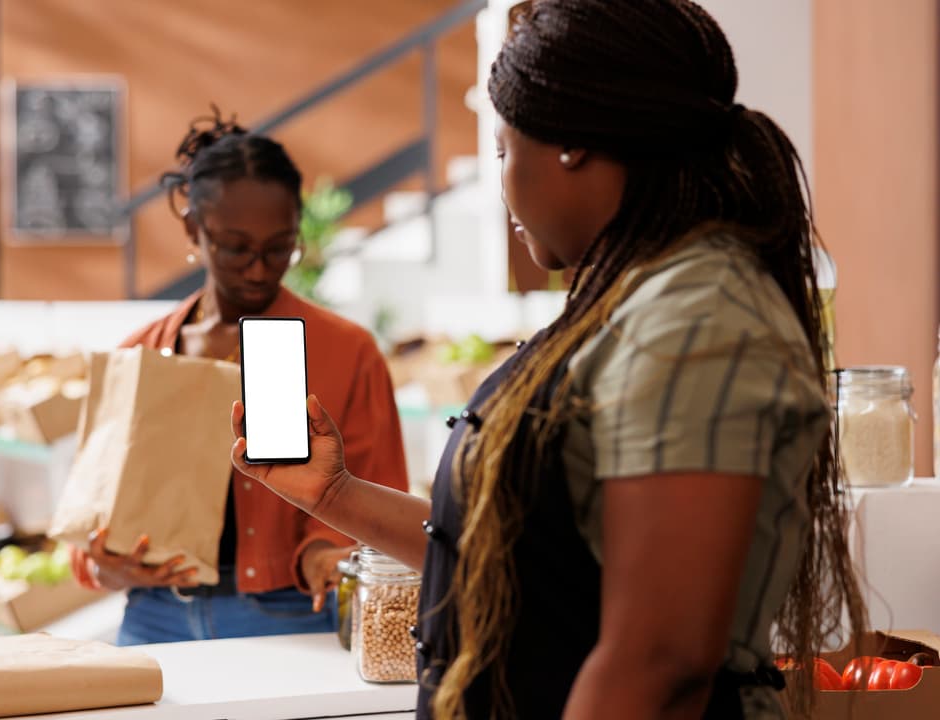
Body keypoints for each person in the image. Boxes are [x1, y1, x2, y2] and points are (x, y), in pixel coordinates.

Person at [229, 1, 866, 718]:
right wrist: (335, 495)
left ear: (570, 143)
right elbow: (531, 557)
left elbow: (658, 663)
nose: (503, 183)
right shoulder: (635, 300)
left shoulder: (696, 320)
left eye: (504, 150)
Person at [69, 108, 409, 645]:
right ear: (192, 229)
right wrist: (106, 566)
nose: (258, 269)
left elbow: (383, 500)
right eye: (236, 247)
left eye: (279, 248)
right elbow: (89, 524)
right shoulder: (138, 355)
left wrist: (324, 550)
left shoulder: (348, 352)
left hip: (288, 616)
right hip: (153, 617)